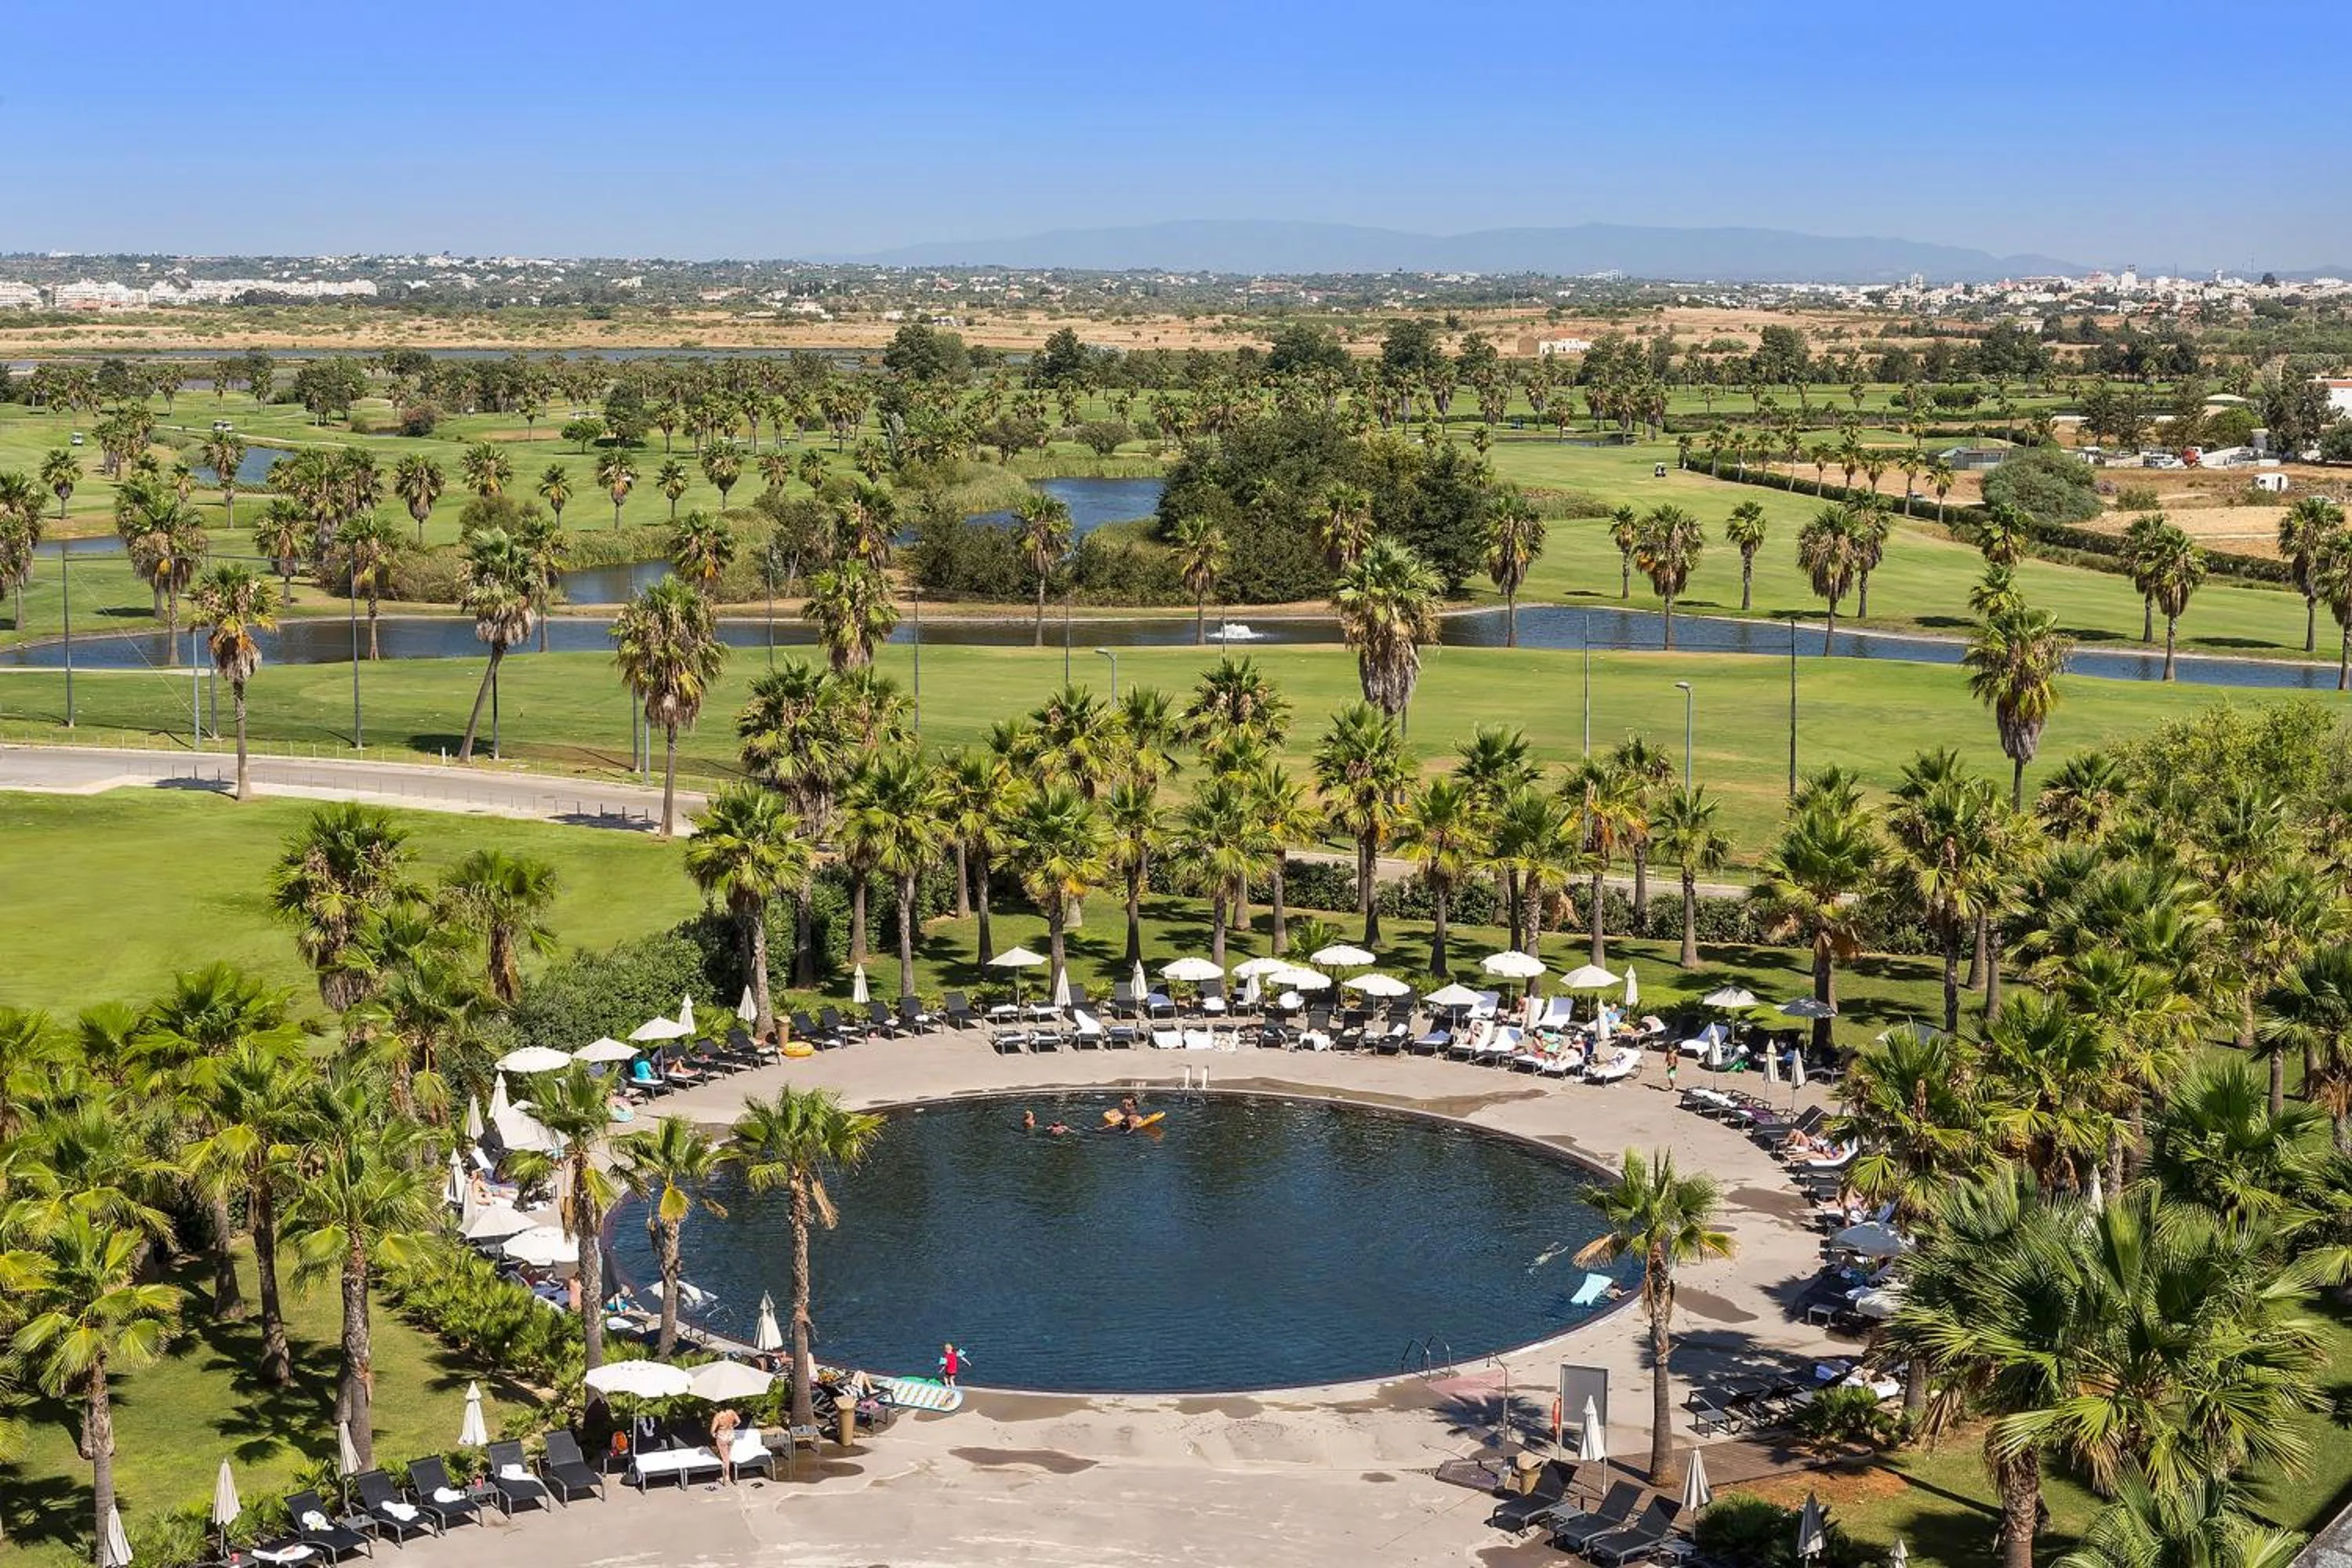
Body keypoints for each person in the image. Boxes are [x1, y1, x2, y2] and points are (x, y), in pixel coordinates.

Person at [710, 1406, 741, 1485]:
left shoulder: (718, 1416)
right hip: (731, 1435)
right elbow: (738, 1422)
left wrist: (714, 1435)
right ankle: (729, 1473)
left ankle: (727, 1476)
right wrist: (732, 1426)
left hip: (722, 1436)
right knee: (728, 1455)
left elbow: (712, 1430)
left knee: (725, 1457)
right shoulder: (732, 1412)